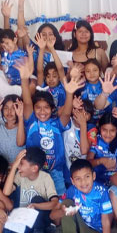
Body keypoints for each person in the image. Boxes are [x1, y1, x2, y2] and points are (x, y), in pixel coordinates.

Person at [20, 59, 84, 196]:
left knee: (60, 203)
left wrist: (69, 93)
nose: (42, 111)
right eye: (38, 108)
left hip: (56, 173)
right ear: (33, 109)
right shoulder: (31, 121)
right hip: (34, 172)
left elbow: (66, 113)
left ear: (52, 109)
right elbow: (27, 102)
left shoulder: (57, 124)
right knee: (35, 203)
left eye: (46, 108)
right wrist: (24, 80)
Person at [51, 159, 113, 233]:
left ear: (93, 176)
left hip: (95, 231)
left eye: (87, 177)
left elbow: (106, 220)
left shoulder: (102, 192)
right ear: (72, 181)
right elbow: (52, 215)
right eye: (78, 179)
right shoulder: (71, 191)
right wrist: (64, 212)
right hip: (79, 226)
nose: (83, 182)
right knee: (66, 203)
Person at [2, 148, 59, 233]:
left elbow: (54, 203)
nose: (19, 167)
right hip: (26, 218)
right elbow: (6, 192)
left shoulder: (45, 178)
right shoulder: (20, 175)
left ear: (34, 168)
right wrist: (14, 167)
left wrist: (36, 205)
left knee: (36, 199)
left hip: (42, 216)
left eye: (21, 164)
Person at [87, 111, 117, 186]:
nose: (108, 134)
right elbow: (87, 163)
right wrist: (100, 161)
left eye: (112, 130)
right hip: (101, 182)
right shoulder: (95, 139)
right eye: (104, 130)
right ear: (100, 128)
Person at [0, 95, 26, 163]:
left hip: (19, 167)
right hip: (3, 167)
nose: (9, 111)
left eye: (13, 108)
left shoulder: (23, 127)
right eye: (6, 108)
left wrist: (20, 117)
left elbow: (20, 143)